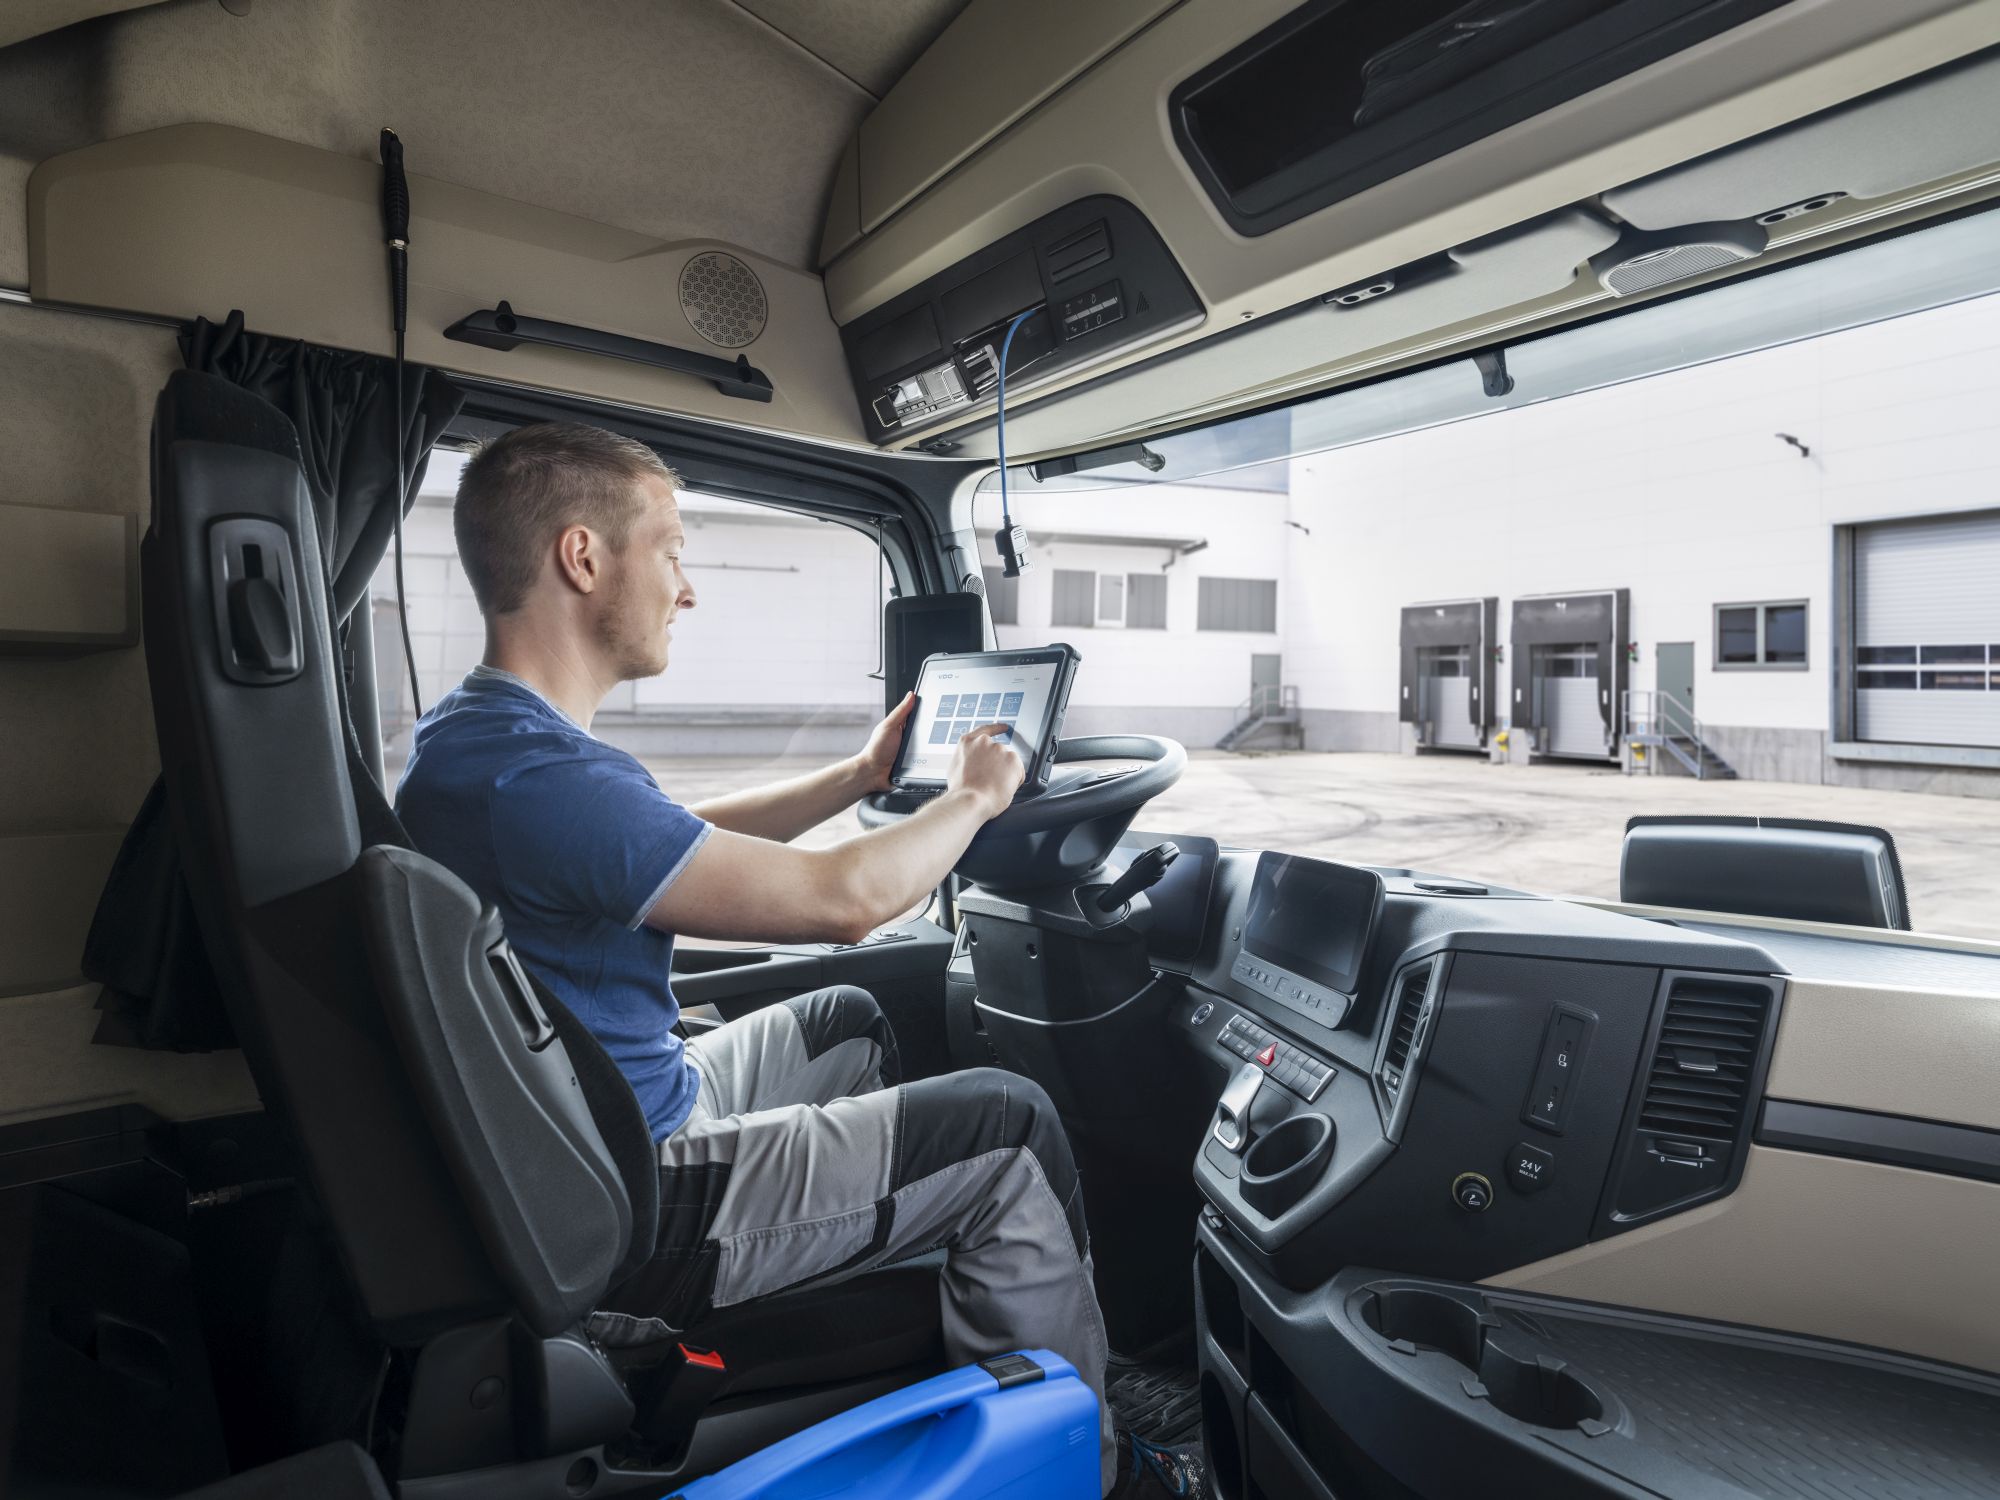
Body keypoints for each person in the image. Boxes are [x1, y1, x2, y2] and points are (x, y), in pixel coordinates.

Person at [394, 422, 1205, 1499]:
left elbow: (671, 831)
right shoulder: (541, 780)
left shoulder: (481, 740)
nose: (687, 588)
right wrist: (973, 795)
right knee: (1007, 1130)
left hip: (608, 1124)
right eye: (672, 549)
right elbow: (848, 902)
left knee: (846, 1024)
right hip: (633, 1204)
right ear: (582, 558)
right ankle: (1099, 1473)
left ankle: (911, 1287)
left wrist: (858, 777)